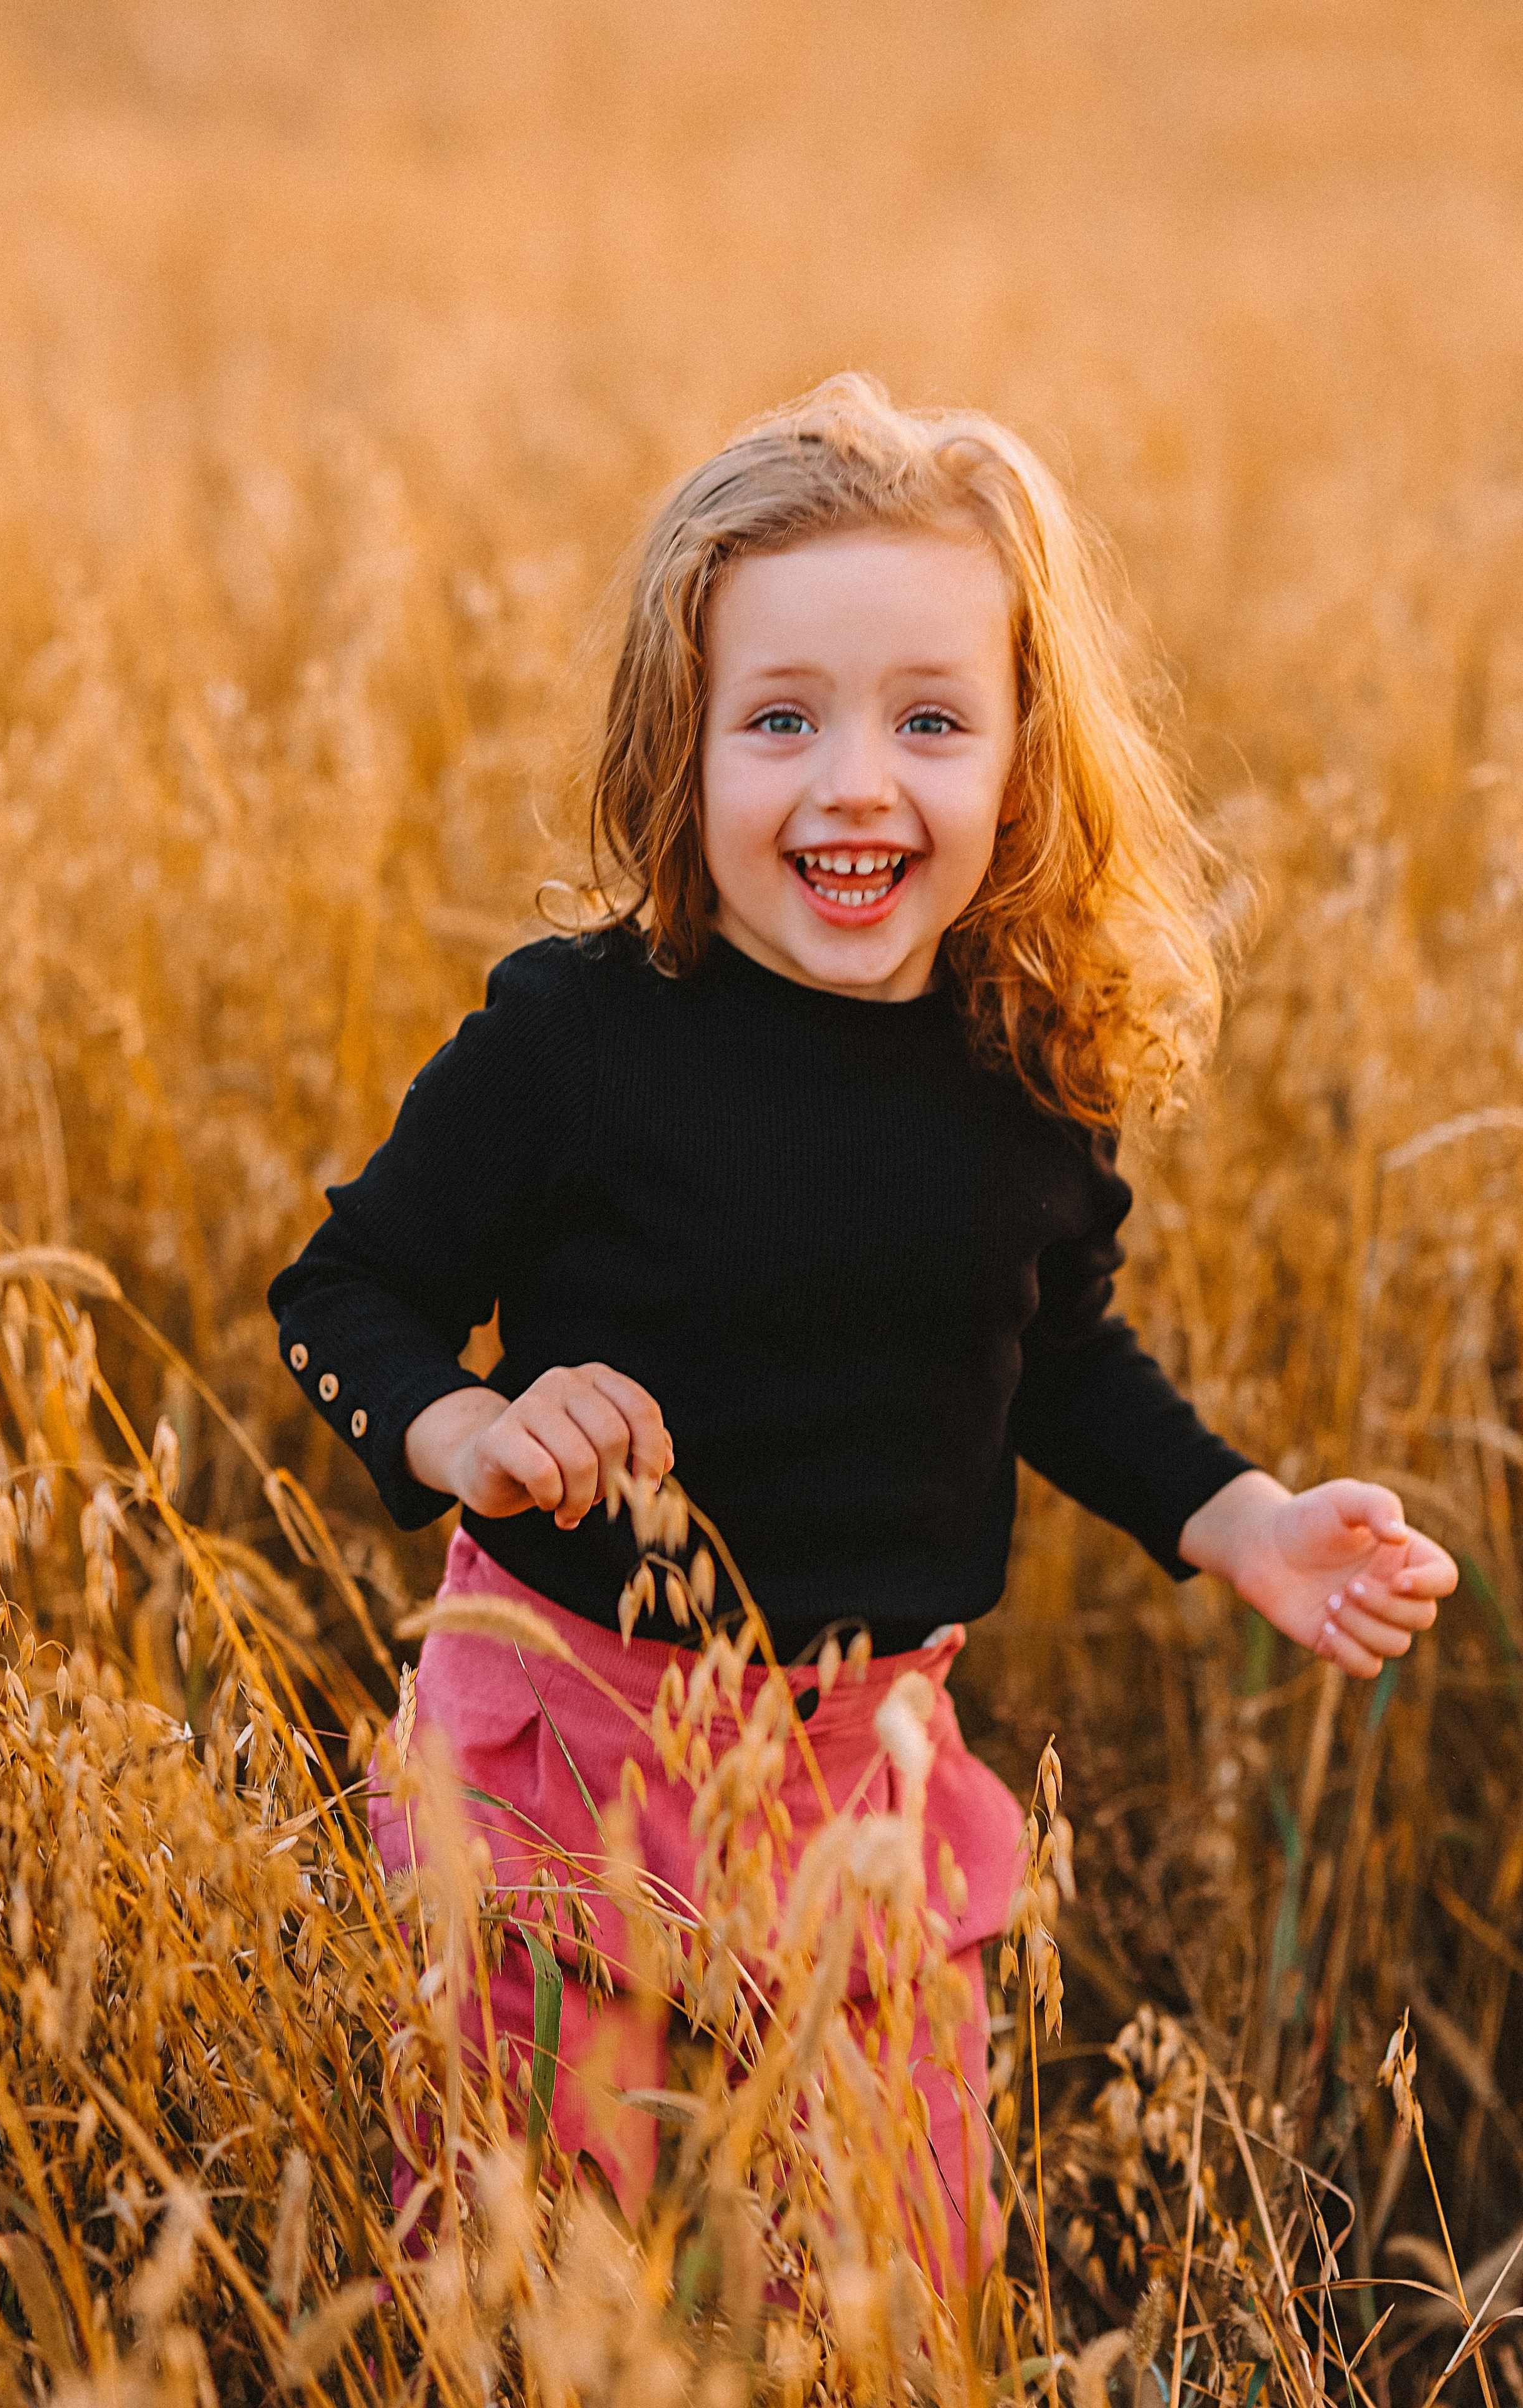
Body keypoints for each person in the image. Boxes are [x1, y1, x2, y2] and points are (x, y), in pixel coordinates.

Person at [268, 374, 1455, 2268]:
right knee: (523, 2288)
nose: (855, 785)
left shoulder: (1027, 1073)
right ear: (685, 750)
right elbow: (343, 1293)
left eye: (929, 720)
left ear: (1019, 758)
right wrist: (471, 1430)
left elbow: (1055, 1356)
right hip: (563, 1764)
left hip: (868, 1785)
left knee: (893, 2290)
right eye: (781, 722)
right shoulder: (575, 1040)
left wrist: (1243, 1520)